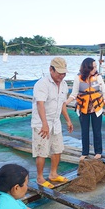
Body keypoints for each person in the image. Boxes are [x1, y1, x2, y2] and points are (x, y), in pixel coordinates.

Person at [31, 57, 73, 189]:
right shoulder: (42, 84)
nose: (61, 76)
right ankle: (40, 177)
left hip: (56, 122)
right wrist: (44, 124)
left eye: (64, 73)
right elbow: (40, 104)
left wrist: (67, 120)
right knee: (41, 151)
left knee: (57, 148)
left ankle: (53, 174)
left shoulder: (64, 85)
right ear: (50, 69)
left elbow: (62, 105)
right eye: (59, 73)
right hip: (41, 122)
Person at [66, 57, 105, 161]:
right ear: (87, 68)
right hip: (83, 108)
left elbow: (104, 92)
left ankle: (98, 152)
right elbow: (74, 94)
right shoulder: (78, 78)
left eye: (96, 67)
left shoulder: (98, 77)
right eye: (93, 67)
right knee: (84, 131)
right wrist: (65, 102)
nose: (95, 69)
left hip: (96, 108)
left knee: (97, 131)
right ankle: (84, 152)